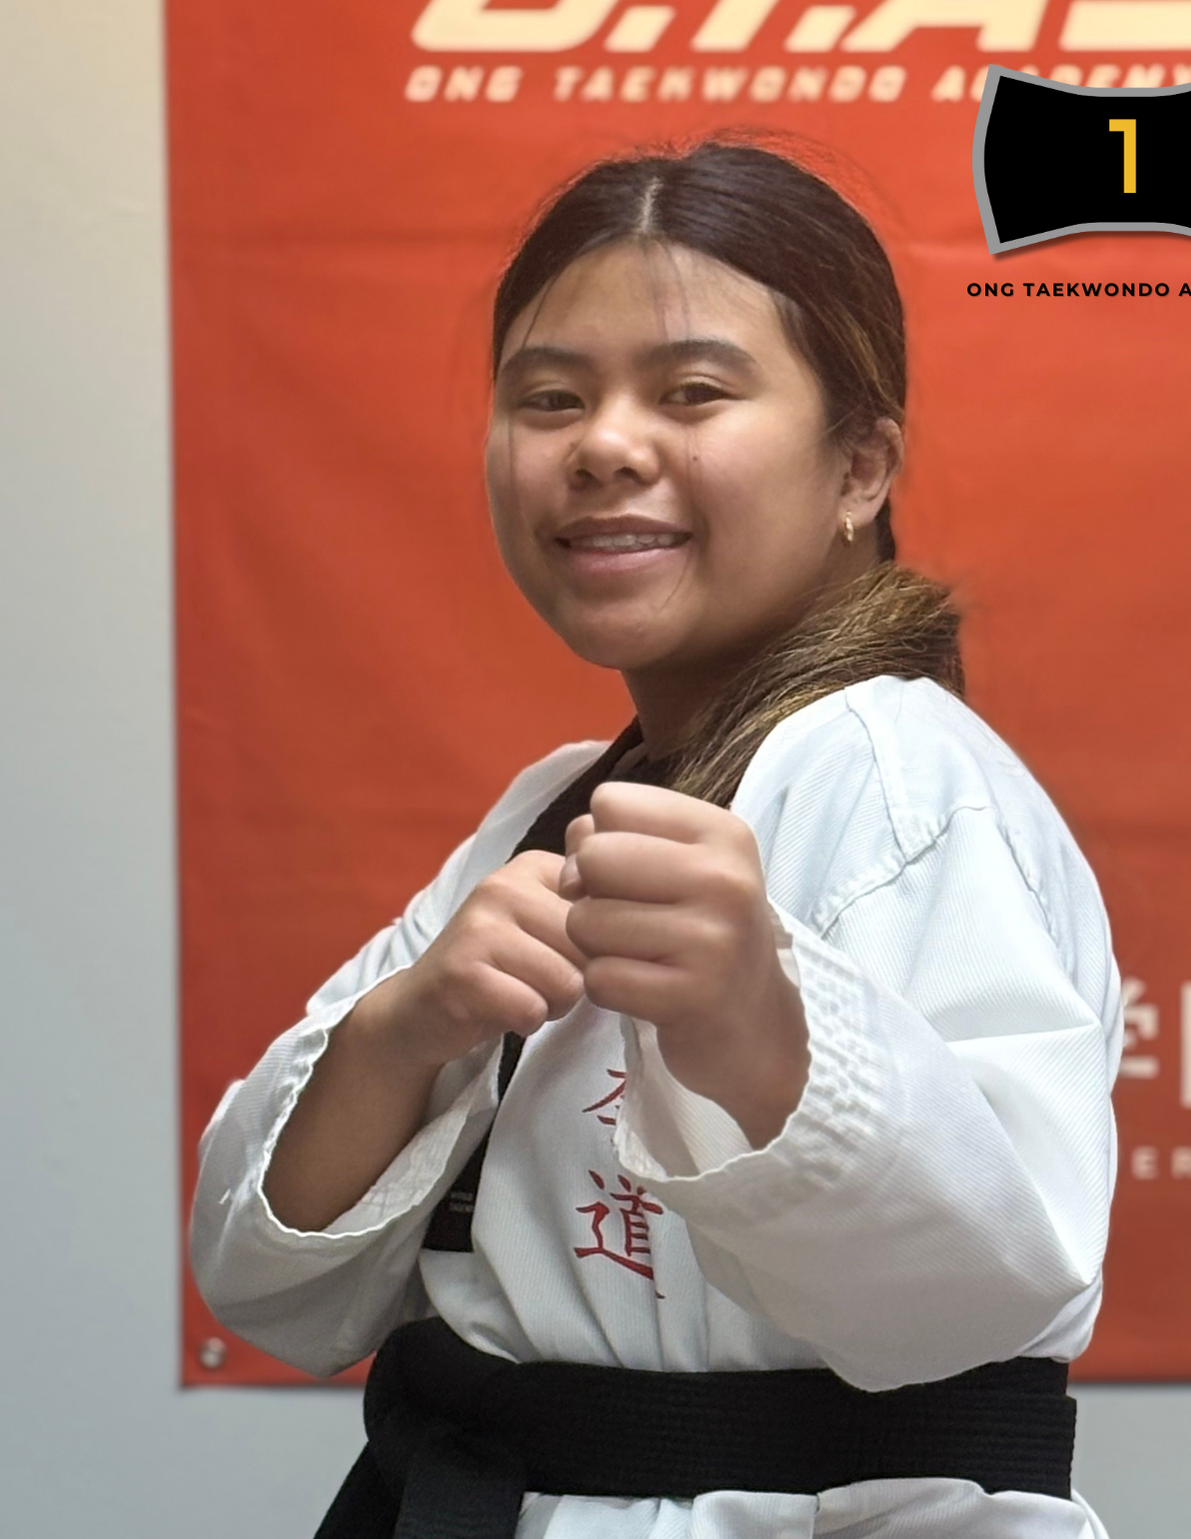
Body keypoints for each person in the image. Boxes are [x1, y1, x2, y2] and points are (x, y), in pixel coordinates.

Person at [191, 137, 1122, 1539]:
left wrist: (762, 1025)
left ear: (861, 459)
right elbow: (270, 1288)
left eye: (693, 391)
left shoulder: (896, 776)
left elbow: (991, 1291)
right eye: (549, 397)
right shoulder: (558, 802)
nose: (606, 445)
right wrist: (403, 1033)